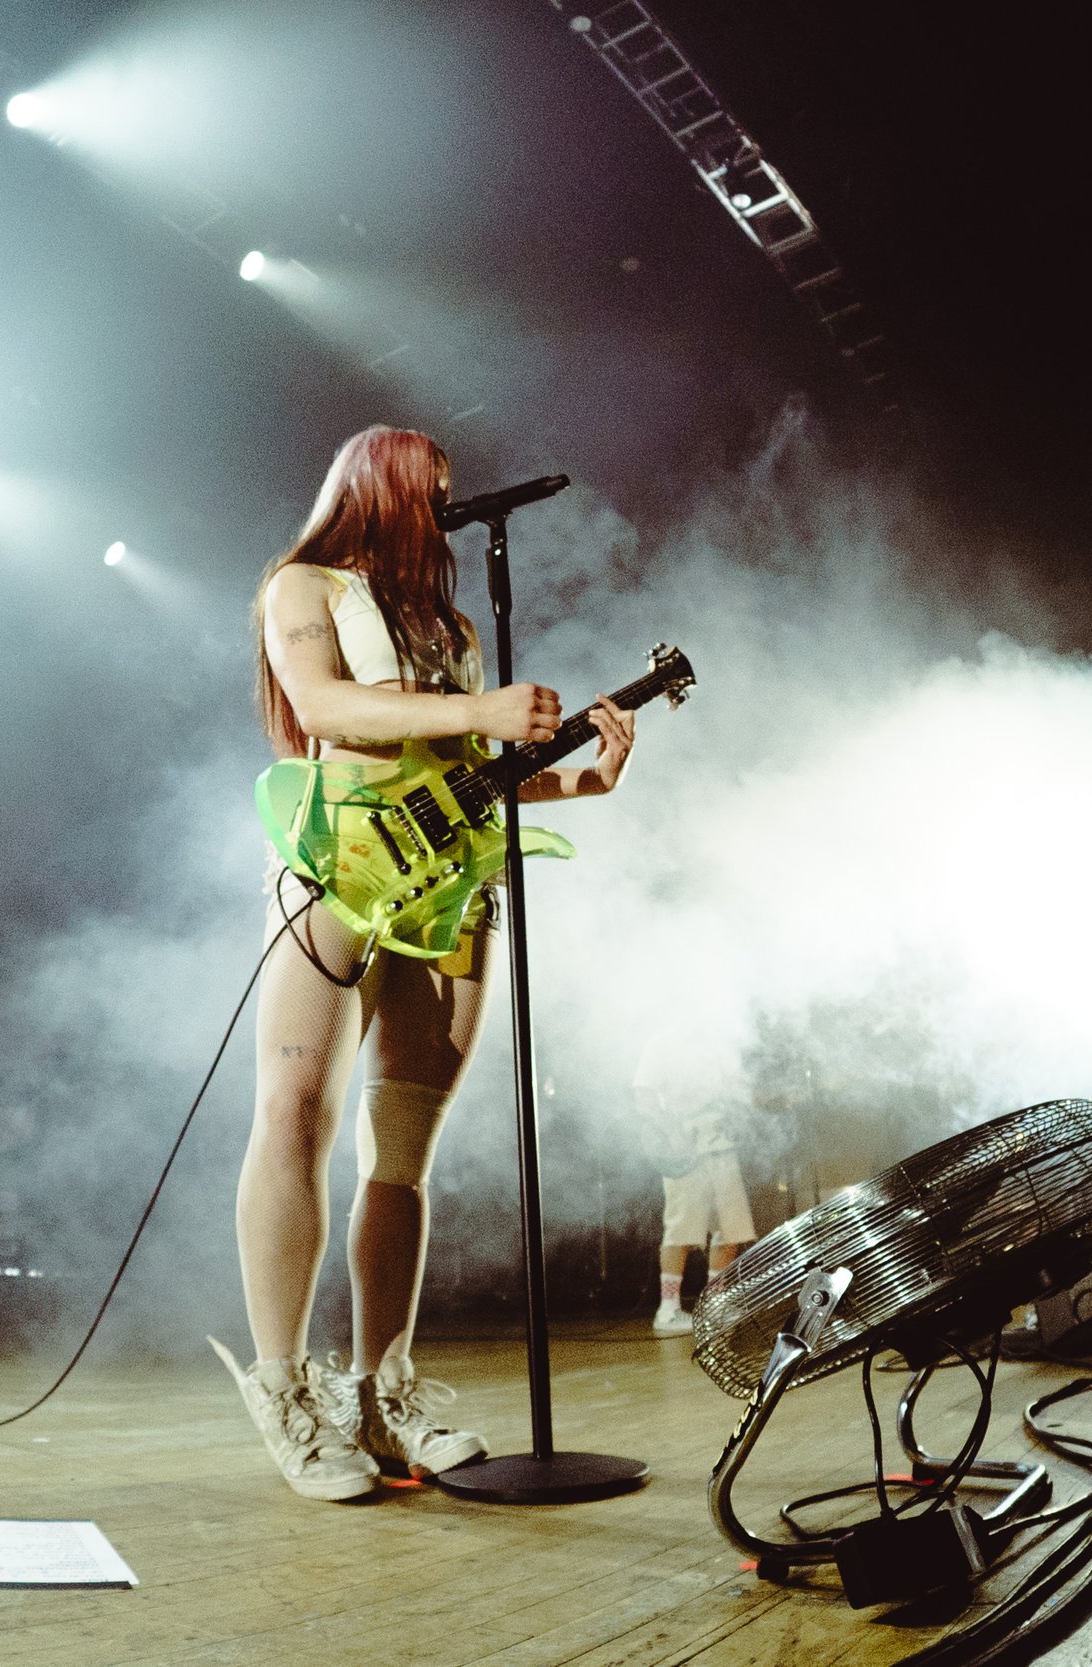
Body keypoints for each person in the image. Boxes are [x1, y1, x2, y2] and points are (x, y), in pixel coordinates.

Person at [215, 425, 637, 1502]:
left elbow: (471, 769)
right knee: (295, 1112)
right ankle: (285, 1388)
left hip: (450, 888)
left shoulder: (450, 628)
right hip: (338, 870)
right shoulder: (302, 586)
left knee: (401, 1155)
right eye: (430, 488)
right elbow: (322, 706)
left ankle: (382, 1388)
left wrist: (580, 783)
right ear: (378, 486)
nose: (443, 508)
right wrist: (479, 710)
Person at [634, 1029, 757, 1336]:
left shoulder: (719, 1039)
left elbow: (739, 1091)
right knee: (681, 1228)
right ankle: (668, 1309)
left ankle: (715, 1304)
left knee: (730, 1227)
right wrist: (671, 1133)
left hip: (722, 1143)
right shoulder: (662, 1041)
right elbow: (644, 1097)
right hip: (684, 1146)